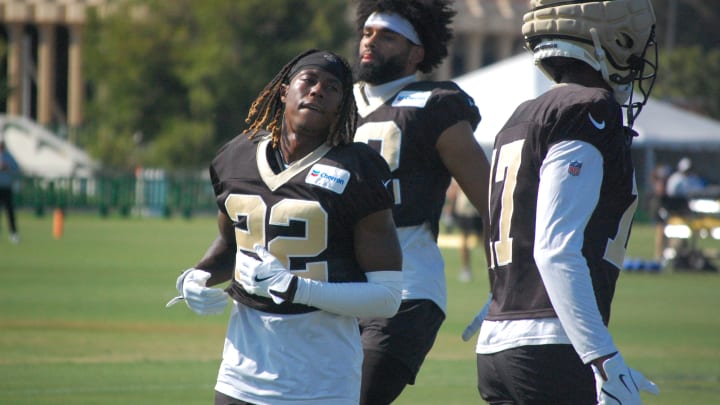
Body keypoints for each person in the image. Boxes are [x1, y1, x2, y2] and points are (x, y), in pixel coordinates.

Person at [166, 49, 403, 405]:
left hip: (322, 382)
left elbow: (386, 298)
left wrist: (295, 288)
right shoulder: (235, 159)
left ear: (341, 104)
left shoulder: (359, 171)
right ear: (284, 91)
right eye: (309, 80)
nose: (318, 90)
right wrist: (194, 277)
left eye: (332, 87)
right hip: (240, 374)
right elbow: (231, 249)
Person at [471, 0, 661, 403]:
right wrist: (604, 357)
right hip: (551, 345)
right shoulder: (587, 107)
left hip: (496, 344)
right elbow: (555, 250)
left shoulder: (522, 114)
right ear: (608, 36)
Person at [352, 1, 491, 403]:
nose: (371, 41)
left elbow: (492, 203)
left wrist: (511, 283)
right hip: (334, 288)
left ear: (417, 52)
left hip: (406, 288)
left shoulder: (437, 106)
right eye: (368, 33)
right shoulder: (336, 102)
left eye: (388, 36)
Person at [445, 179, 484, 283]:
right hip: (467, 205)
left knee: (482, 239)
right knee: (467, 238)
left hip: (473, 205)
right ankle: (466, 269)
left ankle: (492, 267)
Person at [649, 163, 671, 261]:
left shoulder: (659, 181)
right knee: (661, 229)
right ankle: (659, 254)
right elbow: (660, 192)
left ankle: (662, 253)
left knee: (663, 230)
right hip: (660, 205)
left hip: (661, 204)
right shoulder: (660, 183)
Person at [0, 139, 20, 244]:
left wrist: (7, 167)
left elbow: (16, 168)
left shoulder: (8, 156)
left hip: (6, 187)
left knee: (9, 212)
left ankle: (13, 233)